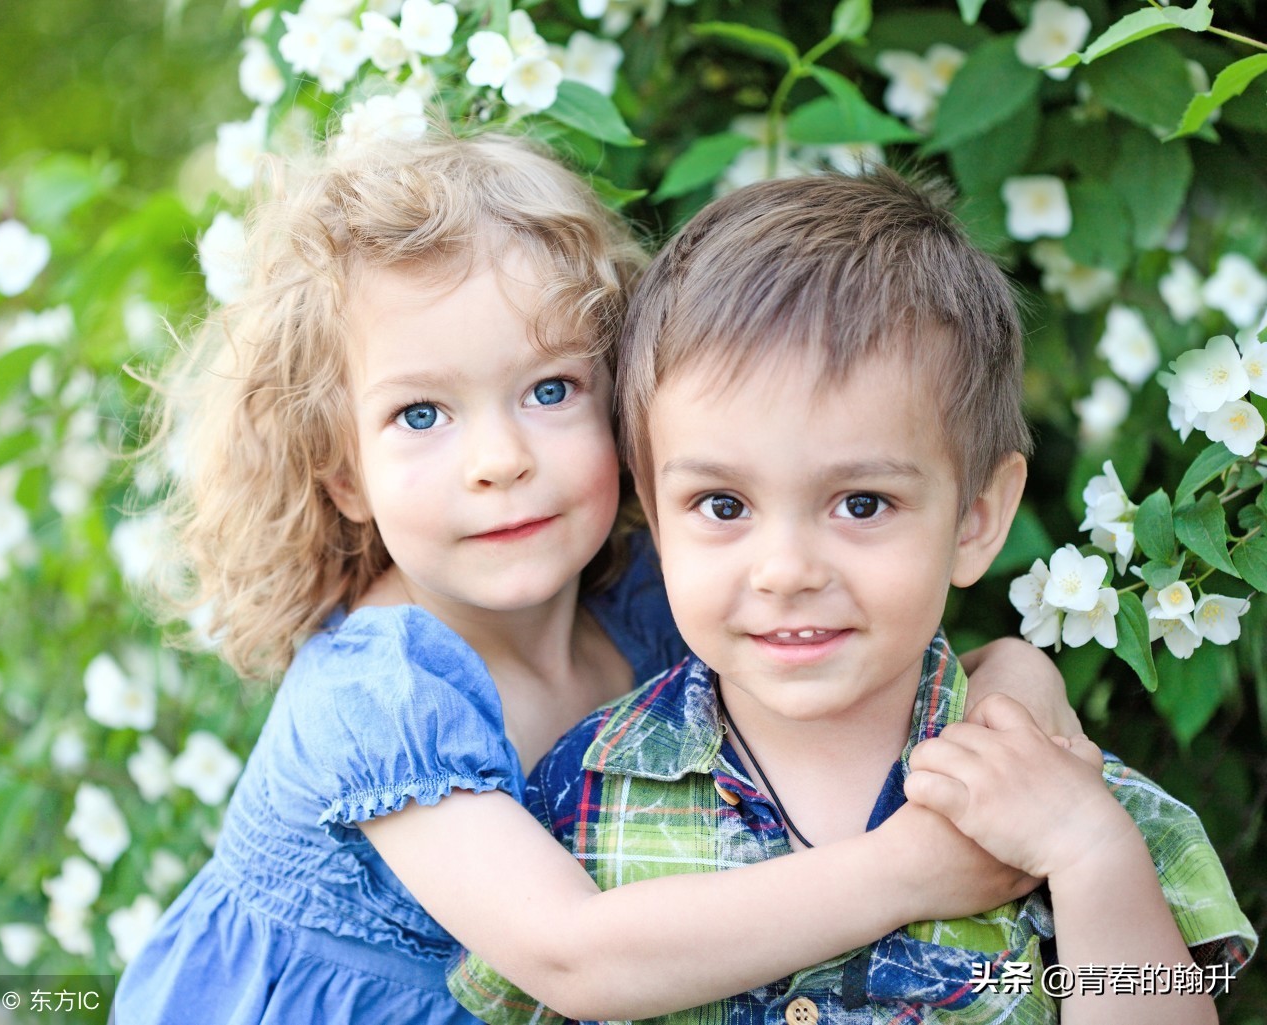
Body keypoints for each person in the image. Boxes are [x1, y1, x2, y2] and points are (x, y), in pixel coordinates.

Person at [115, 132, 1083, 1024]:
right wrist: (908, 867)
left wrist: (1017, 695)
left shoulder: (643, 600)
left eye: (548, 389)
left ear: (627, 411)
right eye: (420, 414)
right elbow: (576, 958)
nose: (497, 457)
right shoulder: (377, 693)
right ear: (342, 472)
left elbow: (915, 661)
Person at [450, 168, 1256, 1024]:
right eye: (723, 505)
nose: (786, 569)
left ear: (978, 518)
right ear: (652, 508)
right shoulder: (582, 793)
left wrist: (1091, 853)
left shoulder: (1065, 798)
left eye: (861, 503)